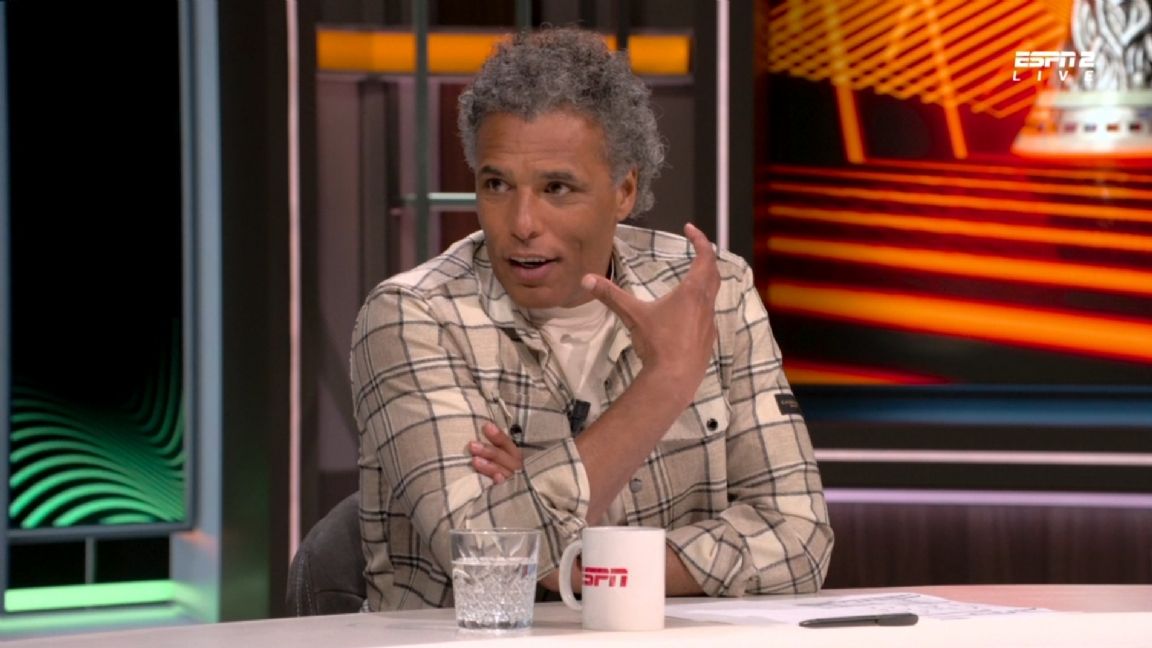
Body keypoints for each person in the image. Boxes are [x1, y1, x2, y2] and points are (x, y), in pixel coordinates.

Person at [350, 27, 833, 612]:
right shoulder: (413, 316)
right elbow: (483, 555)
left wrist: (577, 553)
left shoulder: (712, 292)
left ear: (624, 190)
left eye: (556, 188)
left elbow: (798, 539)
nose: (521, 223)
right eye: (497, 185)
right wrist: (665, 382)